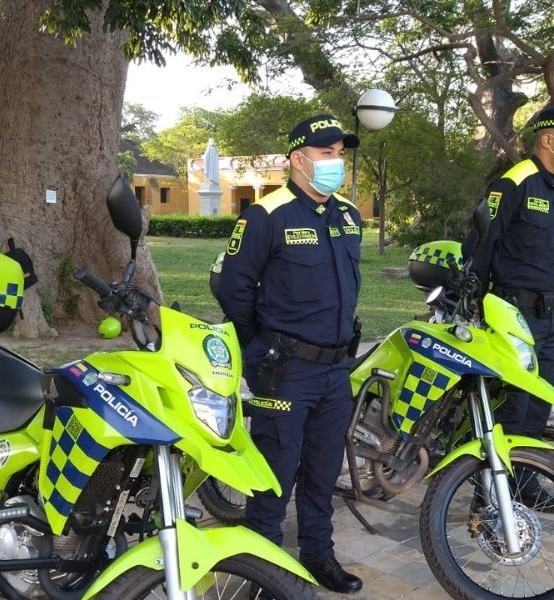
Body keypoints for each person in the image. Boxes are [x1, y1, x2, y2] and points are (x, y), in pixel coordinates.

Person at [214, 114, 365, 594]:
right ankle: (264, 574)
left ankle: (318, 555)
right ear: (298, 160)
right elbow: (235, 288)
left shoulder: (347, 214)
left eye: (340, 153)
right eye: (327, 153)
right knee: (274, 477)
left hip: (336, 368)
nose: (336, 162)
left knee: (322, 473)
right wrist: (259, 346)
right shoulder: (266, 214)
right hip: (286, 370)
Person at [466, 105, 554, 511]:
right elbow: (481, 244)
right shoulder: (514, 181)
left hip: (550, 315)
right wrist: (474, 302)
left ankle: (524, 484)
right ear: (548, 138)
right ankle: (488, 496)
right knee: (511, 405)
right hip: (513, 313)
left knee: (538, 405)